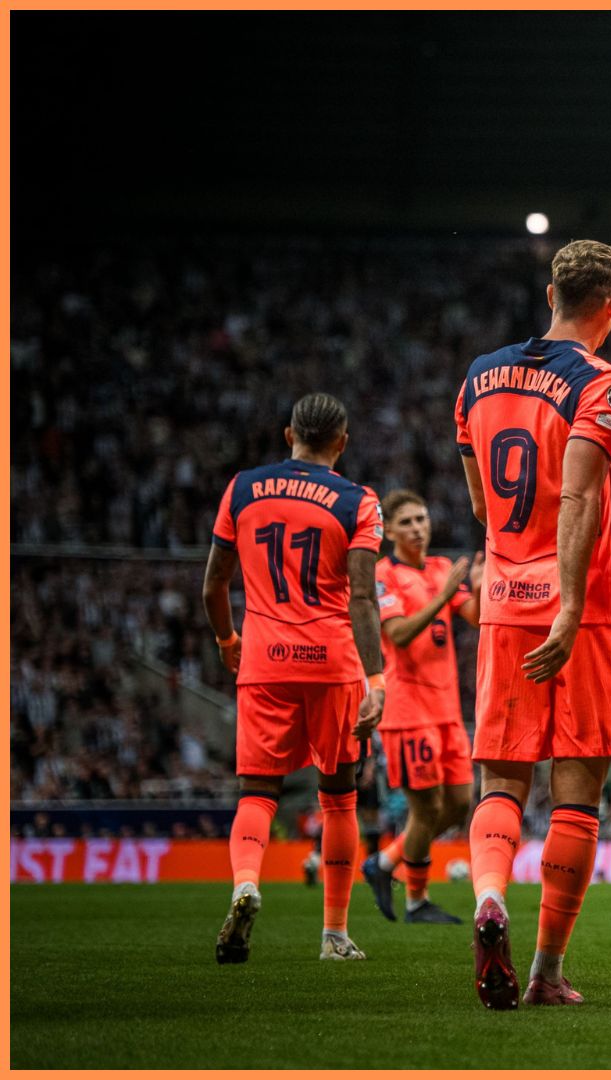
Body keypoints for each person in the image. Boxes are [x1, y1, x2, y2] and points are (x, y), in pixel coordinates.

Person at [455, 239, 611, 1009]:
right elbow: (581, 498)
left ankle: (489, 896)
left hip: (502, 597)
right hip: (586, 605)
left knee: (501, 779)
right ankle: (545, 970)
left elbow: (477, 503)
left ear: (550, 294)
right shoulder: (604, 383)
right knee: (576, 792)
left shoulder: (477, 377)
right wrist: (566, 603)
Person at [204, 391, 387, 963]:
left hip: (264, 659)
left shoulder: (242, 489)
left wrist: (227, 640)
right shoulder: (357, 500)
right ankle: (334, 934)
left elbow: (213, 585)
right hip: (332, 664)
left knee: (258, 792)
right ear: (342, 442)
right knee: (339, 797)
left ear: (289, 436)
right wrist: (376, 681)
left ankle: (245, 884)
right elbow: (361, 597)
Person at [360, 489, 481, 925]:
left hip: (446, 707)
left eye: (422, 518)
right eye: (407, 521)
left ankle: (385, 862)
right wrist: (443, 594)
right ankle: (416, 901)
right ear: (389, 530)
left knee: (459, 803)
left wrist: (481, 587)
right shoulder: (383, 575)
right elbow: (399, 634)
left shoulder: (441, 568)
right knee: (426, 809)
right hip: (408, 709)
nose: (418, 527)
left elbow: (476, 616)